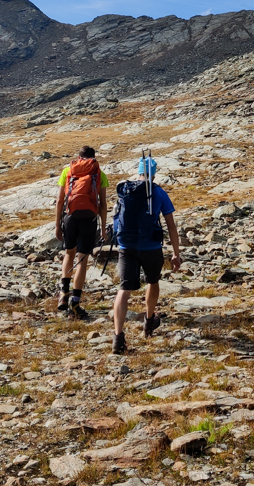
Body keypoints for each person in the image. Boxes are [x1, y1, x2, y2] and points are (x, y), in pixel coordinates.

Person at [110, 157, 181, 354]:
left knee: (124, 290)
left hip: (126, 245)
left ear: (139, 171)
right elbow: (171, 225)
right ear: (154, 172)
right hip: (150, 245)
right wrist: (176, 253)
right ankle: (149, 321)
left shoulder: (125, 190)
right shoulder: (158, 192)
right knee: (152, 281)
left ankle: (118, 337)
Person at [54, 146, 108, 320]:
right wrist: (104, 227)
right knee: (82, 259)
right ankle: (75, 301)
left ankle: (63, 293)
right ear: (93, 158)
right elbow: (103, 204)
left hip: (71, 217)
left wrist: (57, 225)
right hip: (89, 219)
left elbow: (60, 200)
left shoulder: (68, 171)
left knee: (69, 253)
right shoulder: (99, 173)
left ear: (78, 157)